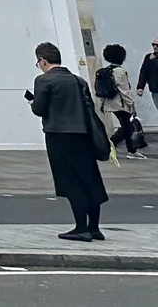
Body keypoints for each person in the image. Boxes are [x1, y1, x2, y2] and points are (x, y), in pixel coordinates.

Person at [30, 40, 108, 241]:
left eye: (38, 62)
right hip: (83, 134)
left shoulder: (44, 81)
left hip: (59, 135)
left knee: (70, 181)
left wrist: (32, 102)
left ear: (42, 61)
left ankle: (80, 227)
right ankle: (94, 228)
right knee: (89, 179)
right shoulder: (77, 80)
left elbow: (39, 109)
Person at [96, 43, 140, 157]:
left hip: (110, 104)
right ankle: (111, 143)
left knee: (126, 126)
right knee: (128, 127)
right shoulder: (120, 71)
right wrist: (131, 105)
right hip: (121, 104)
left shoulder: (106, 71)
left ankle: (132, 151)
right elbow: (124, 90)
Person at [137, 39, 158, 127]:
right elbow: (144, 72)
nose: (155, 47)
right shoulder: (149, 58)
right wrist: (140, 87)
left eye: (157, 45)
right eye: (153, 44)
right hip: (156, 89)